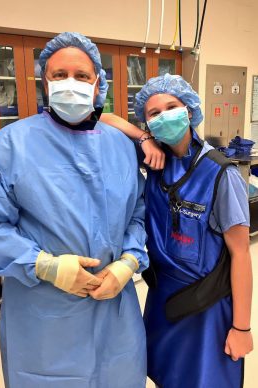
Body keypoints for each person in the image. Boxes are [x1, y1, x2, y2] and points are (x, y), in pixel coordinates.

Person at [0, 32, 150, 388]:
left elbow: (137, 211)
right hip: (44, 315)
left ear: (98, 85)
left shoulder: (120, 147)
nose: (70, 84)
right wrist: (45, 266)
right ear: (44, 83)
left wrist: (129, 261)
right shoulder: (11, 145)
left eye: (81, 76)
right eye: (59, 75)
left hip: (115, 312)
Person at [101, 74, 253, 388]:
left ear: (189, 110)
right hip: (161, 298)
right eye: (154, 113)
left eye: (172, 106)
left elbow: (241, 255)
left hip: (205, 305)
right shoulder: (155, 161)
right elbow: (102, 116)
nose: (164, 116)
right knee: (165, 375)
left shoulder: (220, 174)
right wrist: (142, 139)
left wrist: (241, 328)